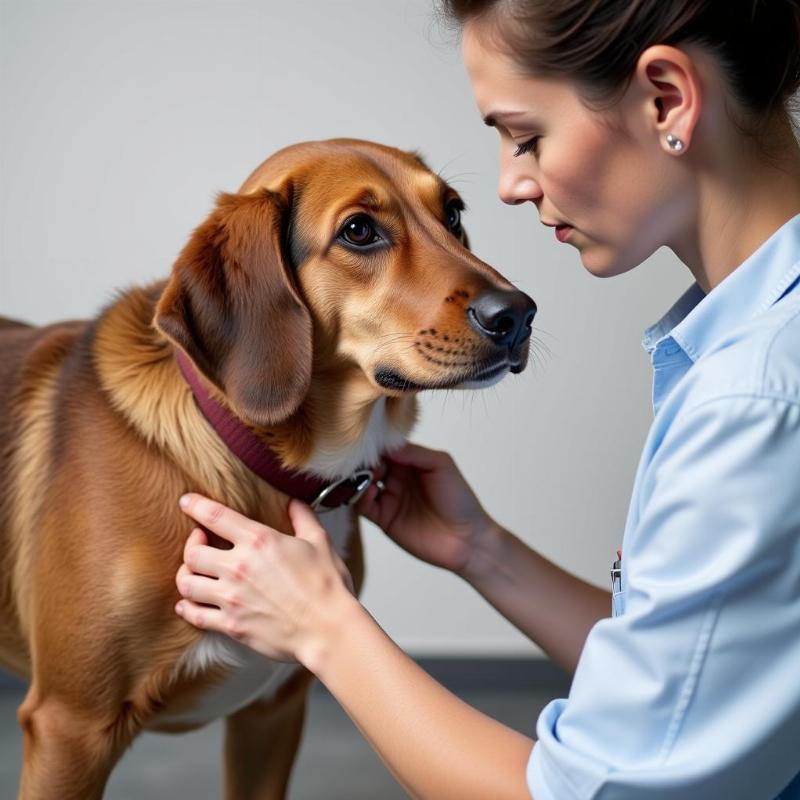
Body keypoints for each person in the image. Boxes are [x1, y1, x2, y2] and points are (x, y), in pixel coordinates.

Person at [173, 1, 800, 797]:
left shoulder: (757, 399)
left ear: (666, 99)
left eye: (526, 136)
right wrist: (485, 553)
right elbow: (697, 680)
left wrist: (322, 628)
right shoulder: (751, 349)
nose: (508, 185)